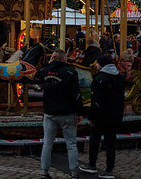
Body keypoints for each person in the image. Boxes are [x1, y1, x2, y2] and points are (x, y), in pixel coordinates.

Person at [37, 49, 83, 179]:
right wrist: (79, 112)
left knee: (47, 143)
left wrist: (48, 64)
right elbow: (76, 94)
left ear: (53, 58)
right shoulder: (70, 72)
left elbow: (38, 76)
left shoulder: (44, 71)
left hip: (50, 113)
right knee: (71, 144)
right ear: (64, 59)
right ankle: (74, 173)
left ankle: (44, 172)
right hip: (67, 112)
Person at [79, 55, 125, 179]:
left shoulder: (99, 79)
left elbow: (96, 101)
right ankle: (110, 168)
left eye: (98, 63)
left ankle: (92, 164)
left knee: (95, 140)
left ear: (101, 64)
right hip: (114, 115)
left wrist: (92, 116)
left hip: (101, 116)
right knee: (111, 143)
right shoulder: (119, 77)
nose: (97, 65)